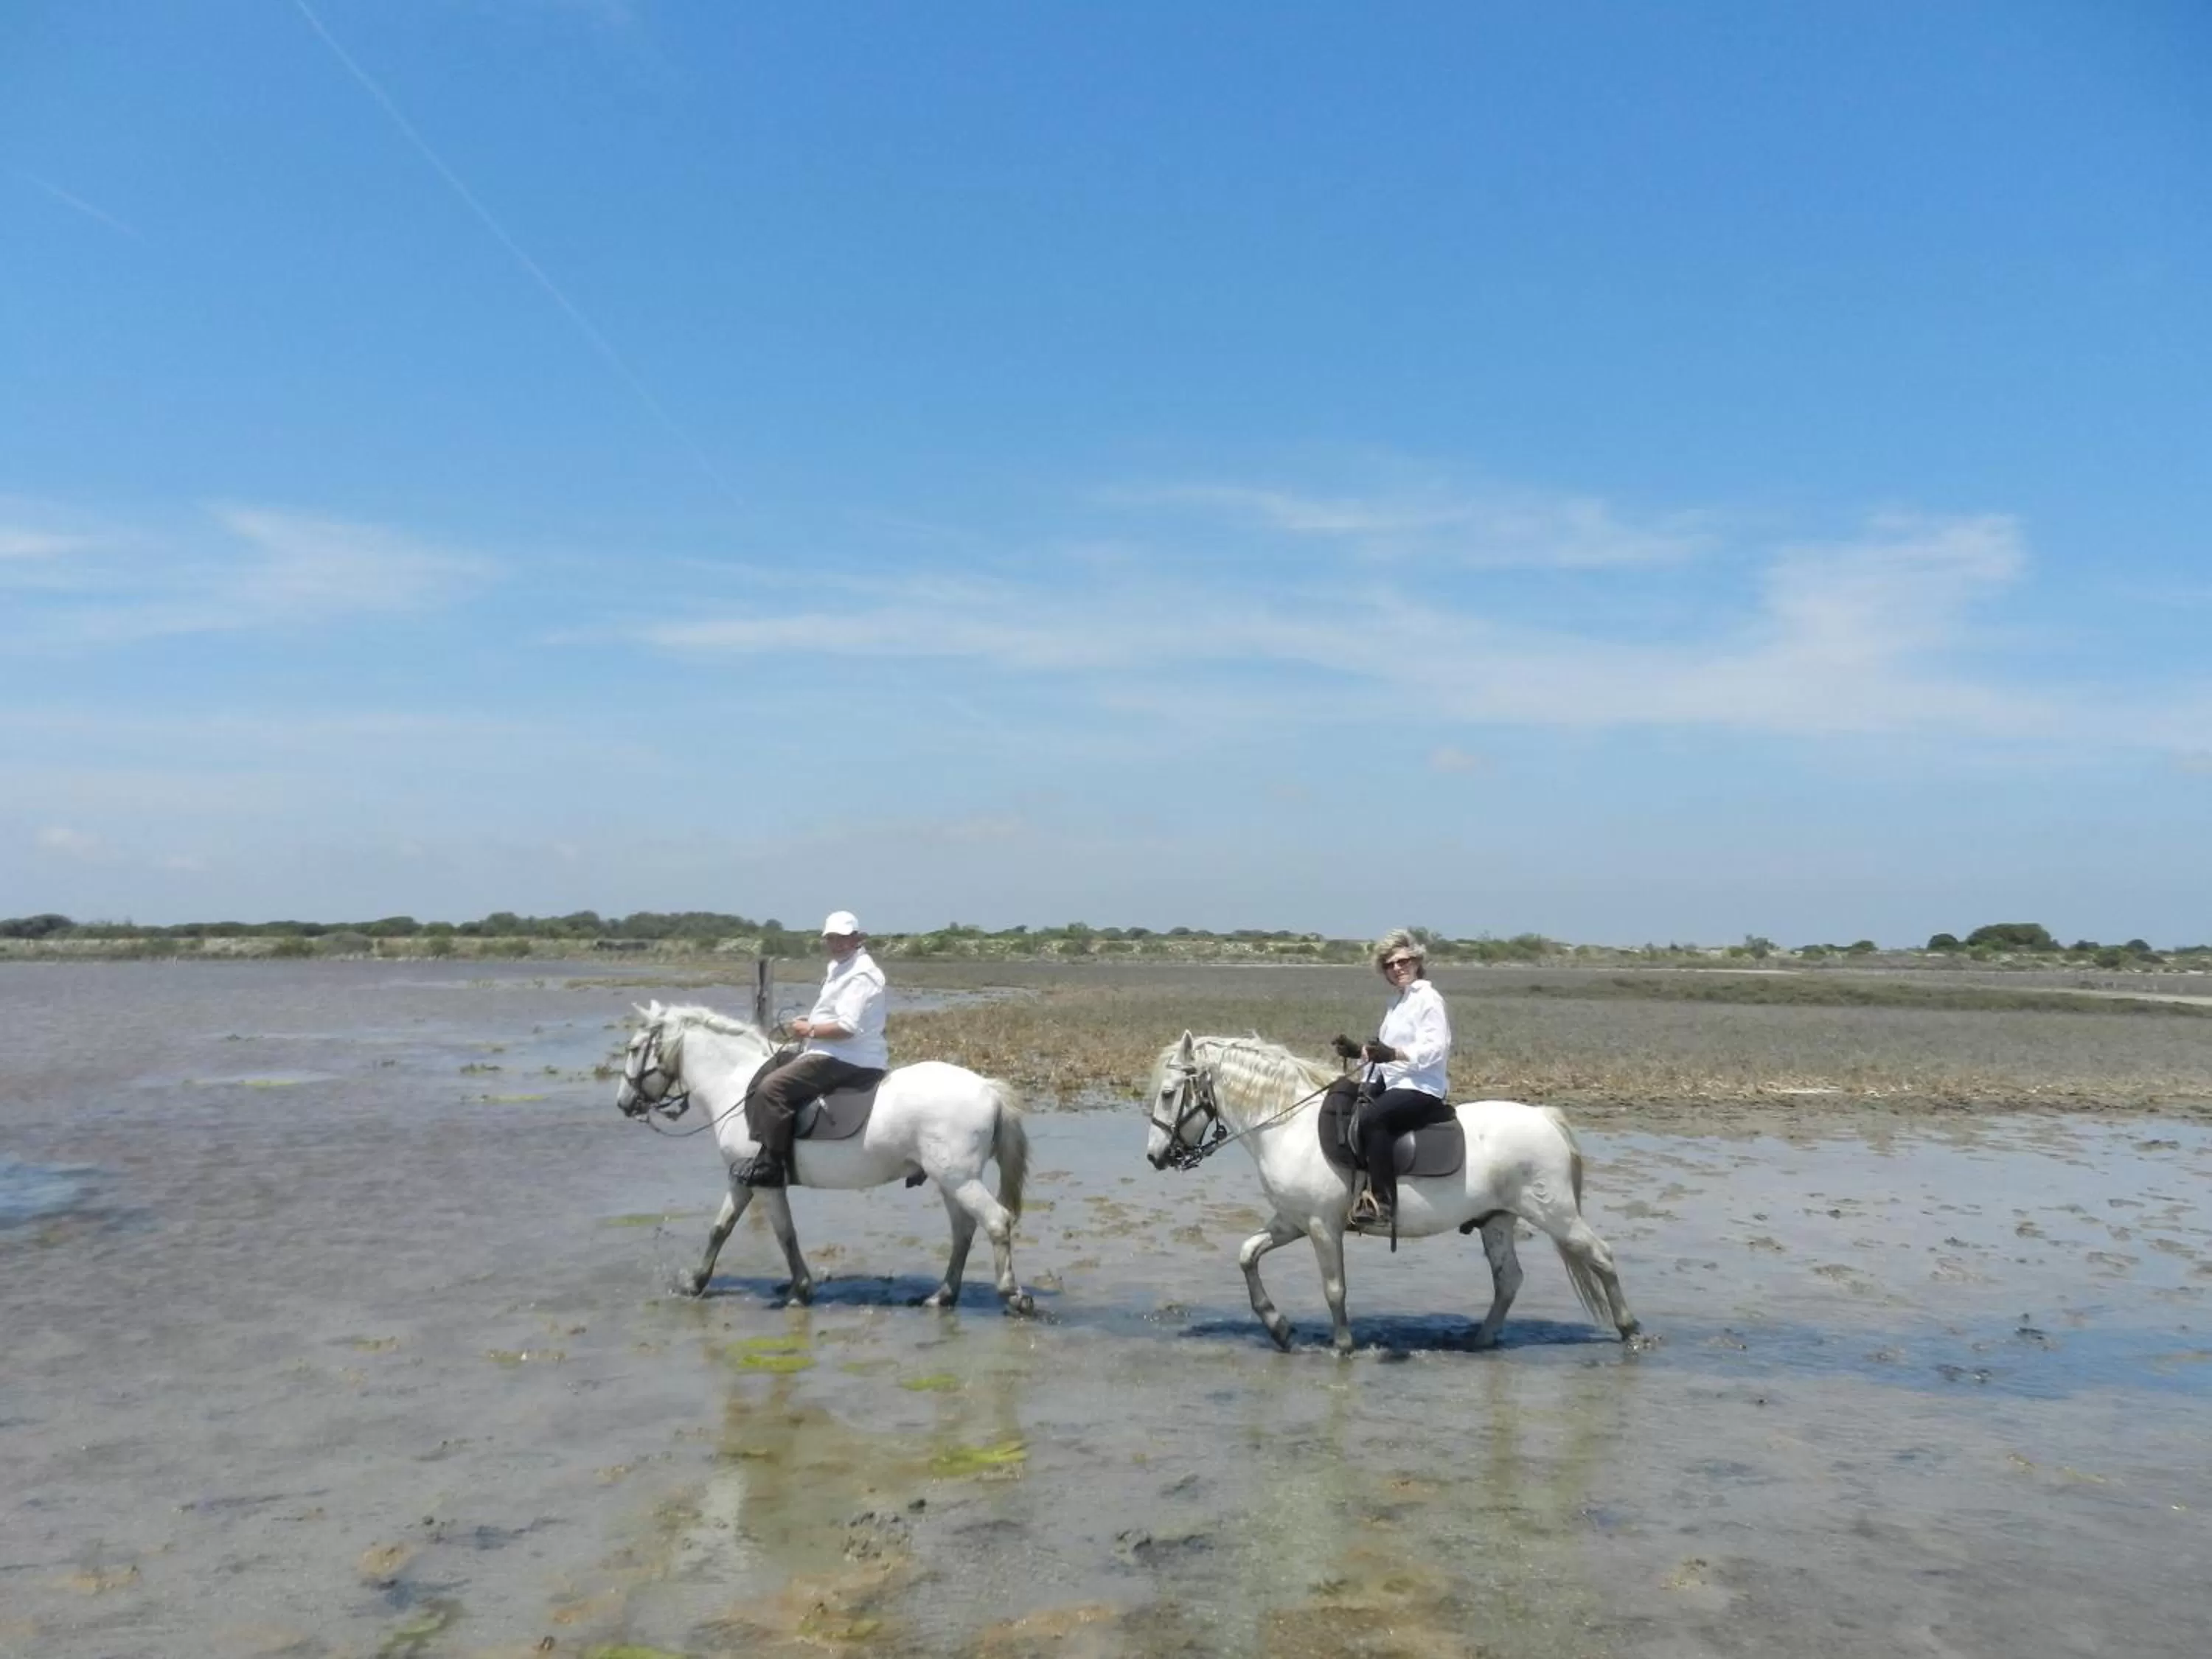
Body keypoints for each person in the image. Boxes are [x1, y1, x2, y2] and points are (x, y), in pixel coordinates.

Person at [736, 911, 889, 1188]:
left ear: (856, 938)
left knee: (772, 1088)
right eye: (832, 939)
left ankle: (774, 1165)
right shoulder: (841, 967)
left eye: (843, 938)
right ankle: (763, 1144)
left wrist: (811, 1030)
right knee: (774, 1063)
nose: (837, 944)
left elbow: (846, 1027)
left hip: (847, 1057)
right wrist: (812, 1021)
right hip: (833, 1049)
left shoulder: (860, 975)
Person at [1325, 928, 1455, 1228]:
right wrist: (1359, 1051)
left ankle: (1383, 1202)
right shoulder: (1395, 1003)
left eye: (1403, 961)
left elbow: (1435, 1049)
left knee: (1373, 1119)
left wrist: (1394, 1054)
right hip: (1392, 1082)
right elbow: (1382, 1054)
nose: (1397, 968)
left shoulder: (1428, 999)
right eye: (1390, 964)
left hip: (1422, 1086)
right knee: (1343, 1096)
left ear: (1416, 961)